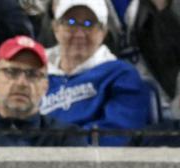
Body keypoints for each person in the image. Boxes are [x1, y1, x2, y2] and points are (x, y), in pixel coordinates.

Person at [38, 0, 150, 145]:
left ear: (103, 32)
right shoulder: (33, 71)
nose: (79, 33)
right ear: (56, 28)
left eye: (89, 24)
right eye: (71, 23)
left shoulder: (121, 74)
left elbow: (117, 135)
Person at [0, 35, 88, 146]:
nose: (22, 83)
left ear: (45, 87)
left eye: (33, 74)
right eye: (12, 71)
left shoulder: (67, 138)